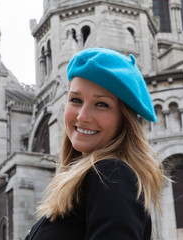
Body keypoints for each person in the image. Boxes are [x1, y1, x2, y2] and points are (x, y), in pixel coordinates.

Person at [24, 48, 164, 240]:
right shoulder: (88, 180)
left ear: (124, 119)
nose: (82, 116)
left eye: (101, 104)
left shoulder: (111, 174)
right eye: (75, 100)